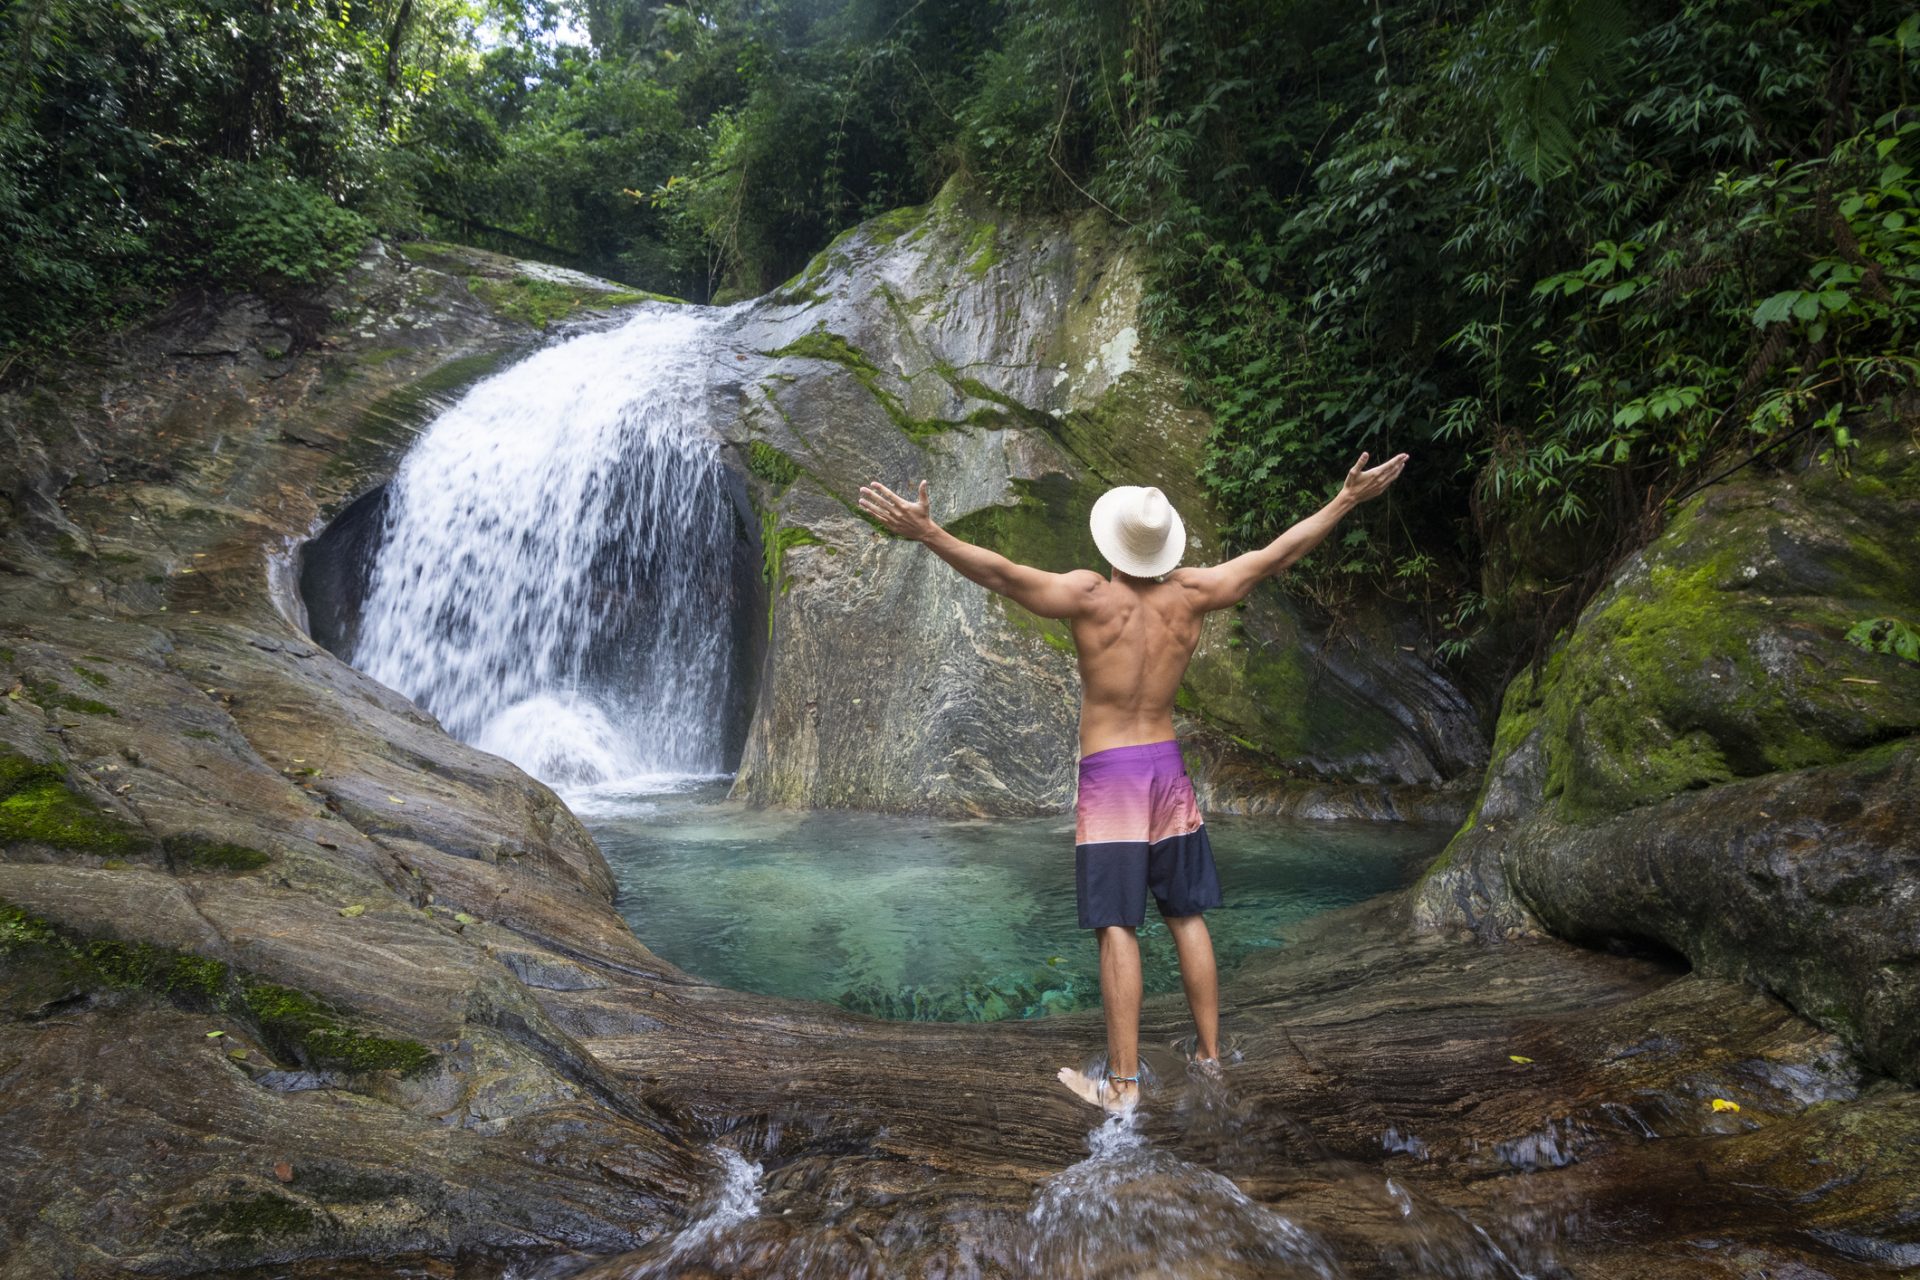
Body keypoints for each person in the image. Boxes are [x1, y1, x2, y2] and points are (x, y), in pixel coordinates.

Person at [857, 451, 1410, 1111]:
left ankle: (1121, 1086)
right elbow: (1277, 554)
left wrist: (930, 534)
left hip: (1112, 774)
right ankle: (1209, 1059)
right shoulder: (1195, 592)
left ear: (1113, 543)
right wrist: (1345, 499)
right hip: (1167, 768)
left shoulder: (1091, 596)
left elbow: (1002, 575)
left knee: (1117, 923)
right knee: (1185, 913)